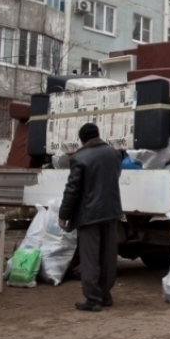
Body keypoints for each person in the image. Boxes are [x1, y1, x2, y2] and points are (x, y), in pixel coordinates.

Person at [59, 123, 122, 312]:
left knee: (90, 259)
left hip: (89, 214)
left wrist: (64, 214)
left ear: (82, 139)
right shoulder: (114, 154)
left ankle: (93, 299)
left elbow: (73, 189)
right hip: (111, 211)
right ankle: (105, 295)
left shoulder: (79, 158)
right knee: (108, 257)